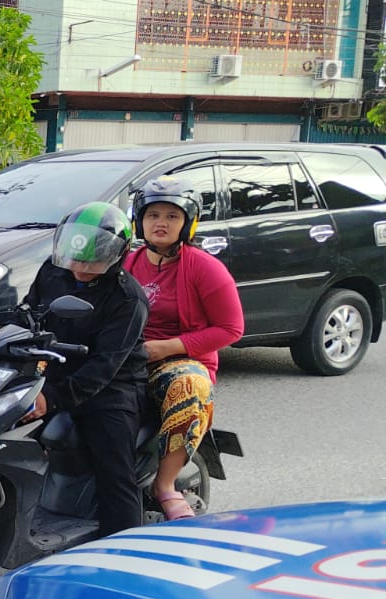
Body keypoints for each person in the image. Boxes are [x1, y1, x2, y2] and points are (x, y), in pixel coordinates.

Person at [20, 201, 150, 535]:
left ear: (116, 255)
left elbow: (106, 365)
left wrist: (53, 398)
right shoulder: (52, 272)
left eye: (92, 262)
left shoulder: (127, 298)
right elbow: (29, 313)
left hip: (110, 389)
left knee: (115, 474)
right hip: (52, 374)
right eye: (75, 258)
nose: (80, 268)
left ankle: (124, 546)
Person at [123, 177, 243, 519]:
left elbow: (231, 328)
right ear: (139, 221)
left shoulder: (205, 268)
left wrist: (168, 347)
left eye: (172, 216)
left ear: (187, 223)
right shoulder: (125, 264)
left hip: (177, 361)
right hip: (125, 355)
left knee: (190, 387)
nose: (161, 223)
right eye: (153, 215)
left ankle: (165, 484)